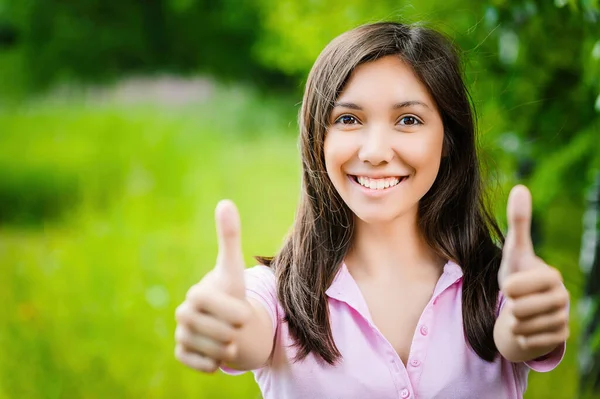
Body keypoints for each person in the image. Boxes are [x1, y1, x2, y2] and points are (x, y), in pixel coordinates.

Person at [173, 21, 570, 399]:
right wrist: (225, 326)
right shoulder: (277, 298)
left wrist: (530, 324)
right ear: (317, 140)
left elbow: (517, 335)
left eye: (408, 120)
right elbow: (246, 331)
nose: (376, 152)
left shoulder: (499, 292)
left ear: (449, 139)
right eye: (348, 119)